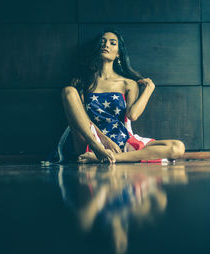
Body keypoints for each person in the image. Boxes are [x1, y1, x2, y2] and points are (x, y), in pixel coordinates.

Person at [59, 28, 185, 163]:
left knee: (178, 147)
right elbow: (82, 118)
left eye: (112, 43)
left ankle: (110, 158)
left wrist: (149, 89)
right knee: (68, 91)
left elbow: (133, 115)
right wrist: (102, 140)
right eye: (103, 42)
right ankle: (98, 151)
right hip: (90, 139)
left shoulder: (128, 84)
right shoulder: (84, 82)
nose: (106, 45)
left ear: (118, 53)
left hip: (122, 139)